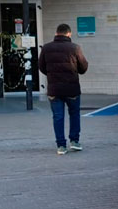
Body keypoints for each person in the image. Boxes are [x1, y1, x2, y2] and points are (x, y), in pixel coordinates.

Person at [38, 24, 88, 154]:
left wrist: (52, 75)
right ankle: (74, 141)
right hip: (72, 88)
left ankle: (61, 146)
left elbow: (41, 67)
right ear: (69, 34)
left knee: (58, 117)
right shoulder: (75, 48)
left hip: (54, 89)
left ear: (56, 33)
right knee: (74, 114)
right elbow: (83, 68)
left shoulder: (46, 48)